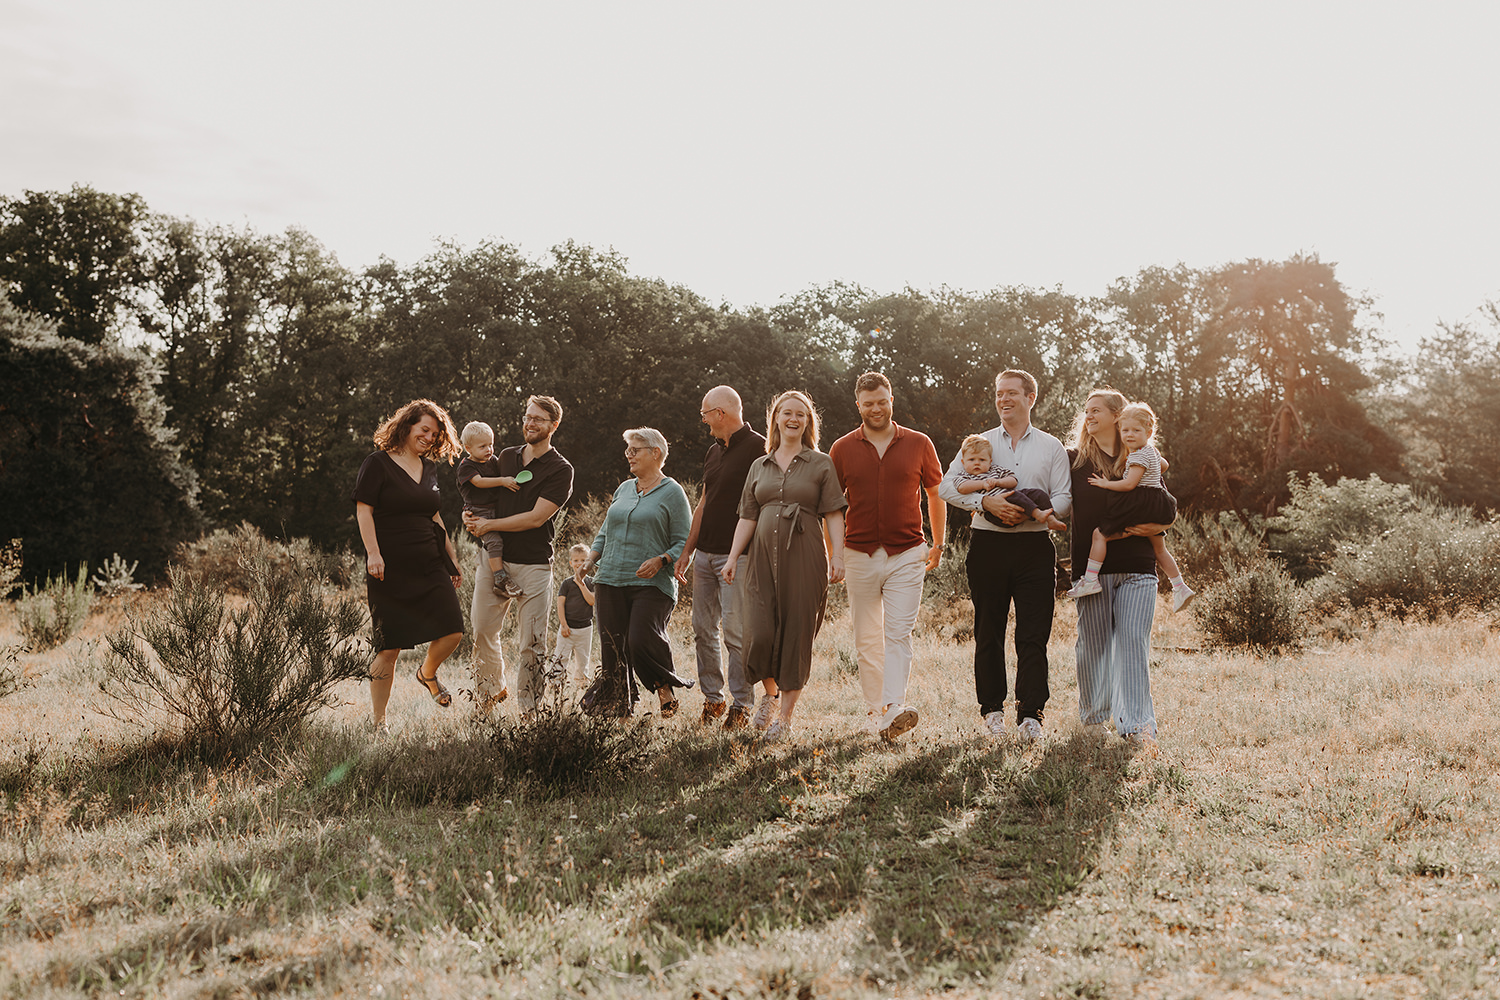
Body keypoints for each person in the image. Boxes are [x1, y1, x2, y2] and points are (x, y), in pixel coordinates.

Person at [937, 369, 1072, 744]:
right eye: (999, 393)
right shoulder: (979, 443)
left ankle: (1030, 715)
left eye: (1012, 392)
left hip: (1034, 548)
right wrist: (984, 503)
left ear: (1031, 398)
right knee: (988, 632)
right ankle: (992, 712)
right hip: (988, 546)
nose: (1003, 399)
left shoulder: (1051, 446)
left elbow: (1064, 496)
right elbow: (946, 487)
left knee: (1034, 634)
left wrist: (1029, 513)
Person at [724, 390, 847, 743]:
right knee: (758, 633)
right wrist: (732, 557)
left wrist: (838, 556)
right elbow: (748, 516)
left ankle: (785, 720)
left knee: (796, 633)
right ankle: (771, 695)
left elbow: (833, 513)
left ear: (808, 422)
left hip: (805, 556)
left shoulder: (820, 463)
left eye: (800, 414)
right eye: (787, 413)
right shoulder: (758, 466)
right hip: (761, 558)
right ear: (775, 419)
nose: (793, 419)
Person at [828, 372, 944, 741]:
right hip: (858, 553)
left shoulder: (919, 443)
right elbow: (831, 507)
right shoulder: (841, 449)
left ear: (891, 400)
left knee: (898, 632)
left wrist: (938, 543)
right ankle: (874, 712)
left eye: (881, 401)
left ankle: (894, 706)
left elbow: (935, 493)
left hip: (908, 551)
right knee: (867, 638)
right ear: (858, 406)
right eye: (868, 404)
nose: (876, 408)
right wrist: (834, 554)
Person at [352, 399, 466, 734]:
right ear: (407, 426)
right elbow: (363, 510)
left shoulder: (429, 469)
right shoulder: (377, 463)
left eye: (435, 434)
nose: (429, 438)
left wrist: (452, 559)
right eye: (424, 430)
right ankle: (379, 722)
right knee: (389, 648)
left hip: (430, 562)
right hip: (389, 567)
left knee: (453, 630)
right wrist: (373, 553)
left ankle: (426, 673)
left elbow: (435, 517)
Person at [1067, 390, 1167, 753]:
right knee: (1092, 647)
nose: (1089, 416)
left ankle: (1138, 724)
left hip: (1138, 565)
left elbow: (1163, 508)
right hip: (1092, 572)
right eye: (1086, 411)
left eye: (1096, 410)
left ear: (1116, 415)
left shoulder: (1141, 456)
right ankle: (1095, 721)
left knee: (1132, 645)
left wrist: (1157, 526)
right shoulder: (1073, 460)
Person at [463, 396, 574, 719]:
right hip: (494, 559)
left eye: (538, 419)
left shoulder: (560, 469)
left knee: (532, 642)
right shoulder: (506, 457)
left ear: (554, 425)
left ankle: (530, 710)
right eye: (527, 417)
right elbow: (482, 493)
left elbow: (536, 518)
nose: (530, 423)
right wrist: (470, 515)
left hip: (534, 564)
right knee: (482, 630)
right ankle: (489, 694)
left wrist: (489, 526)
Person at [583, 428, 695, 717]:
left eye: (635, 450)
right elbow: (605, 532)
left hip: (652, 583)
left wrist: (661, 560)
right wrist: (590, 560)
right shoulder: (623, 489)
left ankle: (663, 684)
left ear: (655, 453)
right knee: (612, 647)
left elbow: (685, 540)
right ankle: (619, 707)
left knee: (639, 638)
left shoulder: (672, 492)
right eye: (628, 450)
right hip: (610, 578)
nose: (628, 455)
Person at [675, 385, 766, 728]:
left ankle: (741, 705)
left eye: (705, 414)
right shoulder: (713, 452)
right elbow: (704, 502)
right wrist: (687, 550)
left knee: (735, 632)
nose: (703, 421)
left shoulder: (760, 448)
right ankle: (713, 699)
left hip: (738, 557)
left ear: (720, 413)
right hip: (704, 555)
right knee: (702, 629)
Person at [1064, 402, 1195, 612]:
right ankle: (1179, 586)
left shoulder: (1137, 455)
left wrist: (1105, 483)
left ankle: (1090, 579)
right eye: (1126, 431)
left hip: (1140, 504)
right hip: (1158, 502)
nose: (1129, 435)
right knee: (1160, 549)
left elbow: (1128, 485)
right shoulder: (1150, 451)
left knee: (1100, 534)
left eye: (1135, 430)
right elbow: (1164, 465)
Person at [457, 421, 521, 597]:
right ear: (468, 448)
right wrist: (502, 481)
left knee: (505, 536)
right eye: (482, 446)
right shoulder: (466, 467)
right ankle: (500, 577)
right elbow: (478, 482)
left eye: (491, 444)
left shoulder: (492, 460)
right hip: (479, 511)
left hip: (495, 508)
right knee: (494, 541)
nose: (489, 450)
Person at [953, 434, 1068, 532]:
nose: (977, 463)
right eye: (971, 460)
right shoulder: (964, 475)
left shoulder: (995, 470)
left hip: (1013, 499)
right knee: (1015, 495)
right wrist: (982, 484)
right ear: (963, 462)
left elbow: (1013, 480)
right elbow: (961, 488)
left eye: (982, 460)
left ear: (990, 461)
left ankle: (1051, 519)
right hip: (994, 515)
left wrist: (998, 482)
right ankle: (1037, 513)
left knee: (1038, 494)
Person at [555, 543, 596, 695]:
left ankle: (582, 688)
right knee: (560, 658)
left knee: (583, 660)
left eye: (583, 560)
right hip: (568, 628)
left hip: (585, 629)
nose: (579, 563)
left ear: (589, 563)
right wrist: (563, 625)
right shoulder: (566, 583)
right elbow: (560, 604)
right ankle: (555, 686)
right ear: (571, 563)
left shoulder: (591, 582)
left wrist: (581, 583)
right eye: (576, 560)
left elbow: (591, 601)